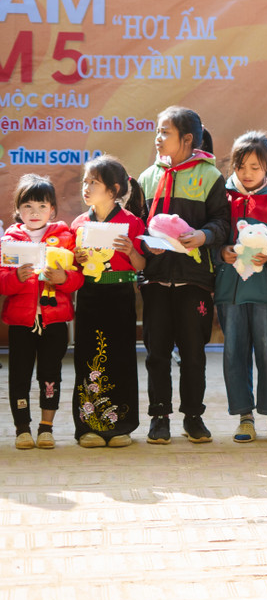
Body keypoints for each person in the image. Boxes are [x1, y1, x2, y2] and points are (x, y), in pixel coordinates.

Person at [136, 106, 230, 444]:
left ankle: (193, 416)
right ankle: (159, 417)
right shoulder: (147, 178)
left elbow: (222, 223)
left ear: (187, 139)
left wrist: (203, 236)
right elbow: (137, 227)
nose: (158, 138)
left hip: (196, 280)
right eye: (157, 131)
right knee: (157, 352)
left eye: (165, 132)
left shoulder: (210, 176)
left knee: (193, 352)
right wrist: (148, 247)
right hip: (157, 280)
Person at [214, 132, 267, 444]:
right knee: (234, 352)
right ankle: (244, 417)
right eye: (241, 166)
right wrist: (221, 251)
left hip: (266, 291)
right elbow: (215, 232)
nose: (247, 173)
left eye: (255, 167)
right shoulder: (222, 196)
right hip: (230, 290)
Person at [2, 174, 83, 450]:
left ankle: (46, 427)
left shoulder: (64, 237)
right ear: (18, 209)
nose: (34, 213)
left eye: (41, 206)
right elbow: (2, 281)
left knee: (51, 373)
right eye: (27, 206)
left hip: (55, 320)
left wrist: (62, 279)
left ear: (52, 210)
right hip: (21, 321)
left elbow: (77, 279)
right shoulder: (10, 239)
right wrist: (17, 278)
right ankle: (22, 428)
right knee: (19, 374)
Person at [71, 157, 145, 447]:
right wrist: (76, 260)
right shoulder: (79, 223)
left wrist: (130, 251)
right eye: (85, 181)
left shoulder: (132, 222)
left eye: (94, 183)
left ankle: (120, 426)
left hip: (120, 296)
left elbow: (141, 265)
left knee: (121, 358)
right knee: (87, 358)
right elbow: (73, 271)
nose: (86, 187)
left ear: (114, 190)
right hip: (89, 296)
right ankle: (88, 426)